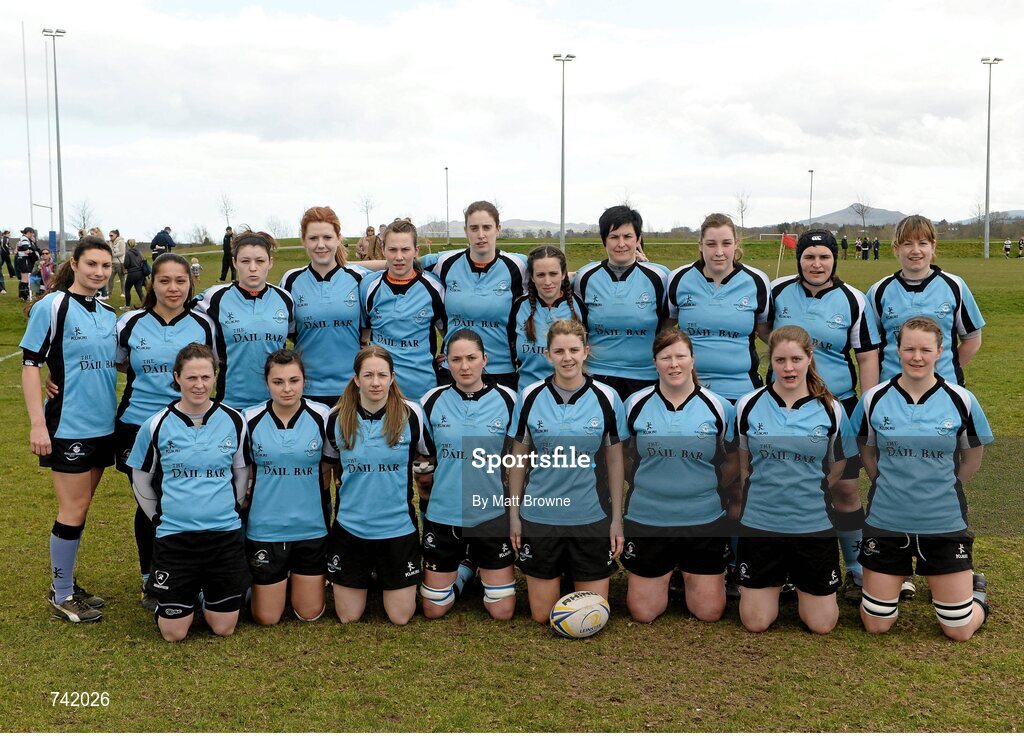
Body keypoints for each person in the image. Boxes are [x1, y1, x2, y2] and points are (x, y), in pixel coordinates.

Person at [852, 317, 993, 641]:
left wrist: (942, 486)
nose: (917, 356)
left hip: (942, 521)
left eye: (925, 350)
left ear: (940, 351)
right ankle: (892, 579)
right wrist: (886, 481)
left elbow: (972, 457)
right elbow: (867, 452)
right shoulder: (874, 399)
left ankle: (976, 593)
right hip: (887, 520)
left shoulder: (962, 400)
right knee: (876, 623)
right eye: (909, 349)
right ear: (897, 350)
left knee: (957, 630)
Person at [769, 229, 880, 602]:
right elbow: (766, 333)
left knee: (845, 488)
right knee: (779, 482)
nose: (816, 264)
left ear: (835, 259)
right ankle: (779, 567)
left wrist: (867, 404)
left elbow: (866, 355)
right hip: (781, 406)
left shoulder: (853, 299)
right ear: (799, 259)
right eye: (809, 257)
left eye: (824, 257)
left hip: (839, 405)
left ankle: (857, 569)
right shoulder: (777, 291)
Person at [733, 326, 859, 634]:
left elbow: (839, 464)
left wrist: (810, 489)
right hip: (761, 524)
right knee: (755, 622)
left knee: (822, 624)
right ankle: (778, 580)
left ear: (809, 359)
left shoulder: (831, 409)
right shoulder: (747, 405)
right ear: (770, 361)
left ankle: (797, 579)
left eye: (796, 359)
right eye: (780, 360)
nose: (788, 368)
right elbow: (743, 465)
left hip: (812, 524)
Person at [20, 236, 116, 623]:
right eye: (91, 264)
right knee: (72, 509)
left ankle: (66, 583)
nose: (99, 272)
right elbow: (30, 365)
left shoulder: (109, 314)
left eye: (106, 266)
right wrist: (38, 425)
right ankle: (62, 594)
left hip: (103, 427)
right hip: (67, 425)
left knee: (82, 507)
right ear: (74, 264)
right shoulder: (53, 306)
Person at [113, 253, 216, 609]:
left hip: (189, 426)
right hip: (135, 426)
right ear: (151, 283)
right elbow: (114, 362)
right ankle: (150, 577)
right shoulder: (130, 321)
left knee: (184, 500)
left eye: (180, 281)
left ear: (190, 284)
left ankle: (191, 574)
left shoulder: (204, 324)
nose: (173, 288)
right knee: (148, 504)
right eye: (164, 281)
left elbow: (214, 372)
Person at [507, 320, 627, 623]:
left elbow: (615, 462)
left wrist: (616, 521)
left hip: (590, 517)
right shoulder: (530, 396)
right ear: (547, 355)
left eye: (574, 350)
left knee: (594, 613)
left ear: (585, 351)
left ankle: (575, 571)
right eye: (559, 351)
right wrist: (514, 516)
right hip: (541, 516)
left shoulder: (608, 397)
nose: (567, 357)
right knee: (541, 616)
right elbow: (518, 460)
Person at [127, 343, 250, 641]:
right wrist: (158, 517)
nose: (199, 385)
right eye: (192, 378)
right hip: (176, 538)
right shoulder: (155, 425)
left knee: (223, 628)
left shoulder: (235, 420)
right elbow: (141, 478)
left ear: (215, 377)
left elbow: (242, 472)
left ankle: (207, 593)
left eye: (206, 377)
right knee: (173, 633)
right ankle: (186, 594)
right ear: (177, 377)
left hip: (223, 536)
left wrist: (231, 508)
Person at [623, 328, 736, 623]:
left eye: (680, 357)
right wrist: (644, 484)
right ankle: (665, 575)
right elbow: (622, 456)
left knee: (709, 612)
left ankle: (686, 575)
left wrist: (705, 487)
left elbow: (734, 459)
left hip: (702, 519)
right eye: (665, 357)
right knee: (643, 612)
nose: (674, 364)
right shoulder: (635, 404)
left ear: (692, 360)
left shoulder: (719, 406)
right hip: (648, 517)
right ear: (655, 362)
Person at [322, 346, 428, 625]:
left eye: (382, 375)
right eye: (368, 375)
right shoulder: (336, 417)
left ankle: (383, 574)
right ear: (356, 379)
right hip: (351, 528)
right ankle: (366, 574)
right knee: (348, 616)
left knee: (400, 617)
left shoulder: (411, 415)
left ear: (392, 377)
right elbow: (328, 468)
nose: (375, 382)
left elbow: (427, 461)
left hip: (397, 528)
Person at [418, 330, 518, 620]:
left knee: (501, 611)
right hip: (444, 514)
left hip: (490, 516)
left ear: (485, 360)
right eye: (456, 359)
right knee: (433, 610)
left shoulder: (509, 400)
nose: (464, 366)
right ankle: (465, 568)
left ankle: (475, 562)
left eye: (471, 358)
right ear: (446, 363)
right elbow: (425, 455)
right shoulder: (431, 401)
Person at [243, 350, 333, 625]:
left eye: (294, 380)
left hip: (310, 527)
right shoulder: (248, 419)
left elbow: (329, 466)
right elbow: (243, 471)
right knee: (267, 618)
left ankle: (299, 579)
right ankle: (254, 586)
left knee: (310, 614)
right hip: (265, 528)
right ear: (267, 383)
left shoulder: (323, 416)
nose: (287, 388)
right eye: (278, 381)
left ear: (305, 381)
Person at [866, 215, 984, 387]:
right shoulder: (879, 290)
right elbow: (868, 349)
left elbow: (972, 340)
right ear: (896, 249)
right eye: (907, 244)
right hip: (891, 391)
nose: (915, 250)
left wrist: (944, 370)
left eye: (922, 243)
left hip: (945, 390)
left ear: (933, 246)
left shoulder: (955, 286)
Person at [667, 213, 771, 402]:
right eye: (711, 244)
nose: (719, 252)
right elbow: (663, 328)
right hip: (688, 390)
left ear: (736, 243)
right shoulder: (678, 278)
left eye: (726, 243)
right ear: (700, 245)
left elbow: (765, 331)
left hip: (742, 391)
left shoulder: (757, 281)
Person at [426, 202, 527, 390]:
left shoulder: (518, 266)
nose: (481, 235)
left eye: (487, 227)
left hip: (500, 370)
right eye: (474, 228)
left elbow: (554, 272)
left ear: (498, 229)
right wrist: (355, 269)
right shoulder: (446, 262)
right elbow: (402, 262)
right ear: (466, 230)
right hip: (454, 368)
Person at [573, 205, 669, 400]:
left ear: (638, 239)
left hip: (646, 376)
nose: (621, 244)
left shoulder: (660, 276)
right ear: (604, 241)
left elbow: (668, 321)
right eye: (614, 237)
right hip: (597, 375)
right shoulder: (585, 277)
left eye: (627, 236)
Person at [194, 230, 295, 409]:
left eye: (260, 261)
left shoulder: (285, 298)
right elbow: (180, 312)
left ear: (270, 263)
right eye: (245, 261)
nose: (253, 268)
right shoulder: (214, 297)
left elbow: (294, 334)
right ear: (234, 263)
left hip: (276, 404)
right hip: (231, 403)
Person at [280, 206, 369, 405]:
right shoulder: (291, 280)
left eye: (327, 238)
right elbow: (286, 330)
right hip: (306, 390)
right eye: (313, 238)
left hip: (354, 388)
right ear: (304, 240)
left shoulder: (359, 278)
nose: (321, 245)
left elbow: (367, 327)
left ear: (338, 238)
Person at [360, 219, 446, 401]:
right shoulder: (369, 285)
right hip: (380, 392)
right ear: (383, 250)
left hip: (422, 391)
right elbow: (363, 339)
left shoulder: (434, 288)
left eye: (405, 249)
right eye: (392, 250)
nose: (399, 257)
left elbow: (448, 334)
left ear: (416, 251)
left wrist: (449, 355)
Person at [509, 245, 588, 388]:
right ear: (532, 277)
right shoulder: (519, 307)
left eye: (553, 274)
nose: (547, 282)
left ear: (563, 274)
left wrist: (642, 263)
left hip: (570, 393)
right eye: (540, 275)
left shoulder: (579, 306)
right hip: (527, 394)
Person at [16, 226, 40, 301]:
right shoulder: (24, 238)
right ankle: (24, 295)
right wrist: (31, 249)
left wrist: (31, 248)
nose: (32, 235)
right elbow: (26, 249)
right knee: (25, 277)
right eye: (32, 234)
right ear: (29, 232)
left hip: (22, 259)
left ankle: (22, 295)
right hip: (23, 259)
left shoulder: (25, 239)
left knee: (24, 277)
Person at [122, 239, 147, 309]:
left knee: (127, 289)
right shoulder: (139, 252)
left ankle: (127, 306)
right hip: (140, 274)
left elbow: (126, 264)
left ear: (128, 245)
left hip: (132, 273)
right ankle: (145, 305)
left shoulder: (128, 253)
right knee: (139, 290)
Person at [107, 229, 127, 300]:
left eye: (111, 235)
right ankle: (109, 292)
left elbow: (122, 252)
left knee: (122, 278)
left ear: (116, 235)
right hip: (112, 263)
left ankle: (123, 292)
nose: (110, 237)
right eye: (109, 235)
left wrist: (113, 255)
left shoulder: (121, 242)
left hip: (119, 263)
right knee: (110, 278)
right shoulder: (111, 242)